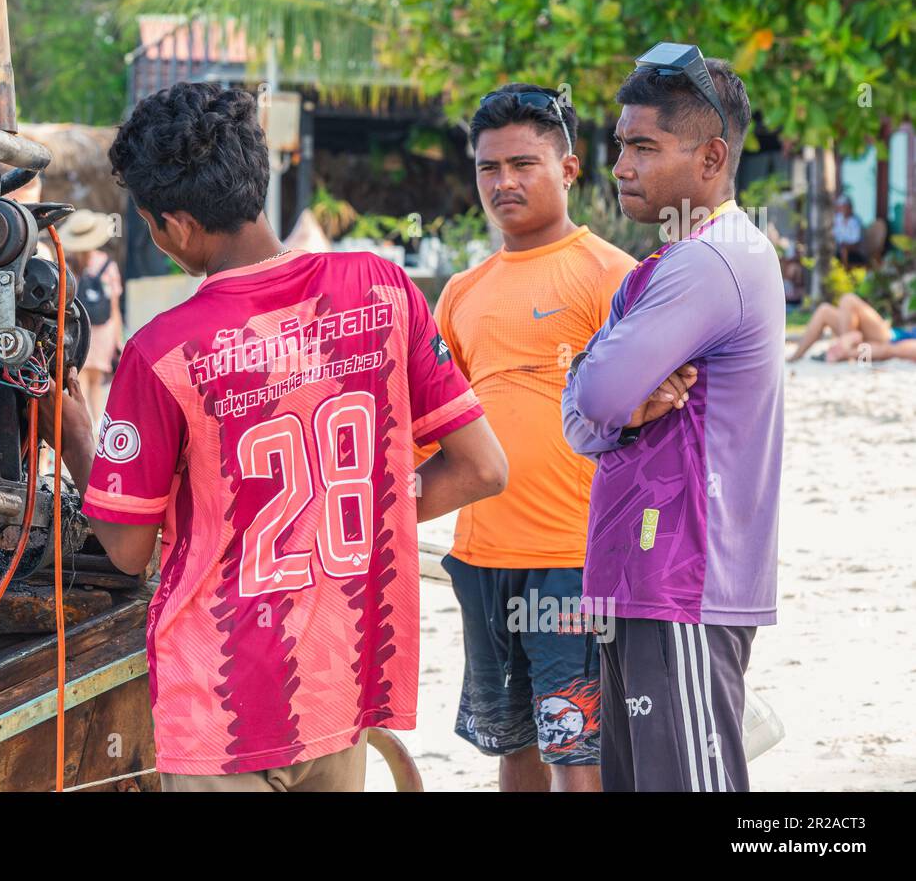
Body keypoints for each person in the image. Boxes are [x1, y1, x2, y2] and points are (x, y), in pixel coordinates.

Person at [40, 81, 509, 791]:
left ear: (178, 225)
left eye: (152, 226)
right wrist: (356, 512)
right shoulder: (383, 289)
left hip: (221, 706)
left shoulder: (163, 352)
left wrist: (74, 435)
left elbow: (130, 550)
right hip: (340, 679)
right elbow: (482, 469)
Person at [562, 46, 783, 792]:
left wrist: (603, 398)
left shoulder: (710, 260)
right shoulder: (684, 257)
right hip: (646, 572)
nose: (620, 165)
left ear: (712, 156)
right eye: (620, 143)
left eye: (644, 147)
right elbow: (589, 413)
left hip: (682, 575)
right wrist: (607, 400)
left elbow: (592, 400)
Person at [417, 84, 636, 792]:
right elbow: (434, 431)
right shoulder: (460, 292)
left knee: (575, 749)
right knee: (512, 748)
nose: (503, 182)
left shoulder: (612, 276)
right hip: (480, 559)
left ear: (568, 170)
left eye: (523, 163)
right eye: (488, 167)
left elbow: (656, 414)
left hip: (573, 562)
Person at [56, 209, 124, 423]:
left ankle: (82, 425)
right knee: (97, 383)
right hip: (104, 330)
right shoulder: (107, 265)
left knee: (79, 380)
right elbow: (114, 305)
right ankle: (98, 427)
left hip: (79, 329)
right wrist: (118, 340)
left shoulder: (67, 266)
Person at [788, 291, 916, 363]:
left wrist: (851, 353)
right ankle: (796, 356)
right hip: (880, 334)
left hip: (888, 338)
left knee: (848, 300)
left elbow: (889, 350)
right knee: (824, 310)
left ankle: (845, 344)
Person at [832, 195, 866, 268]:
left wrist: (844, 245)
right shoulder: (838, 218)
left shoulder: (856, 221)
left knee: (843, 250)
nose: (841, 209)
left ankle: (844, 273)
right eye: (840, 207)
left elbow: (856, 242)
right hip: (838, 249)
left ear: (850, 208)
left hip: (853, 252)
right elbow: (834, 235)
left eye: (844, 207)